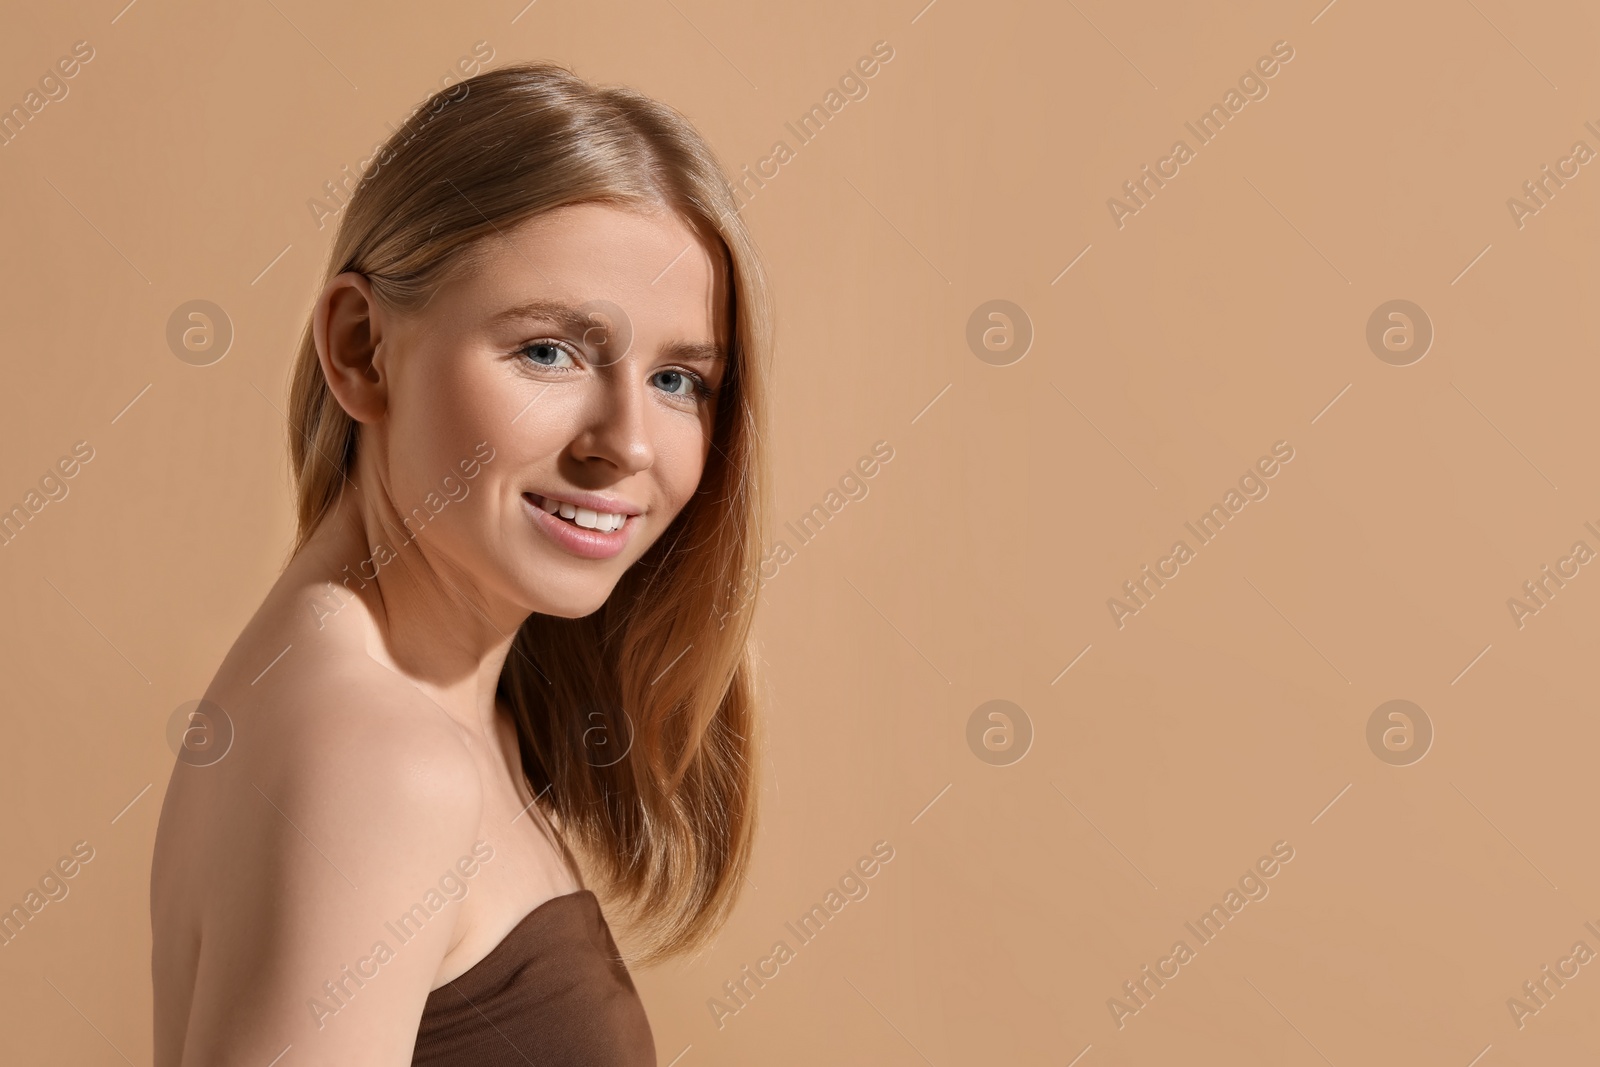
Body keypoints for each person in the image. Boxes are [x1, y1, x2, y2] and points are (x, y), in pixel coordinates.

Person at [150, 60, 774, 1065]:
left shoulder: (389, 694)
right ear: (361, 348)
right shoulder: (382, 762)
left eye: (675, 377)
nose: (626, 441)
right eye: (548, 352)